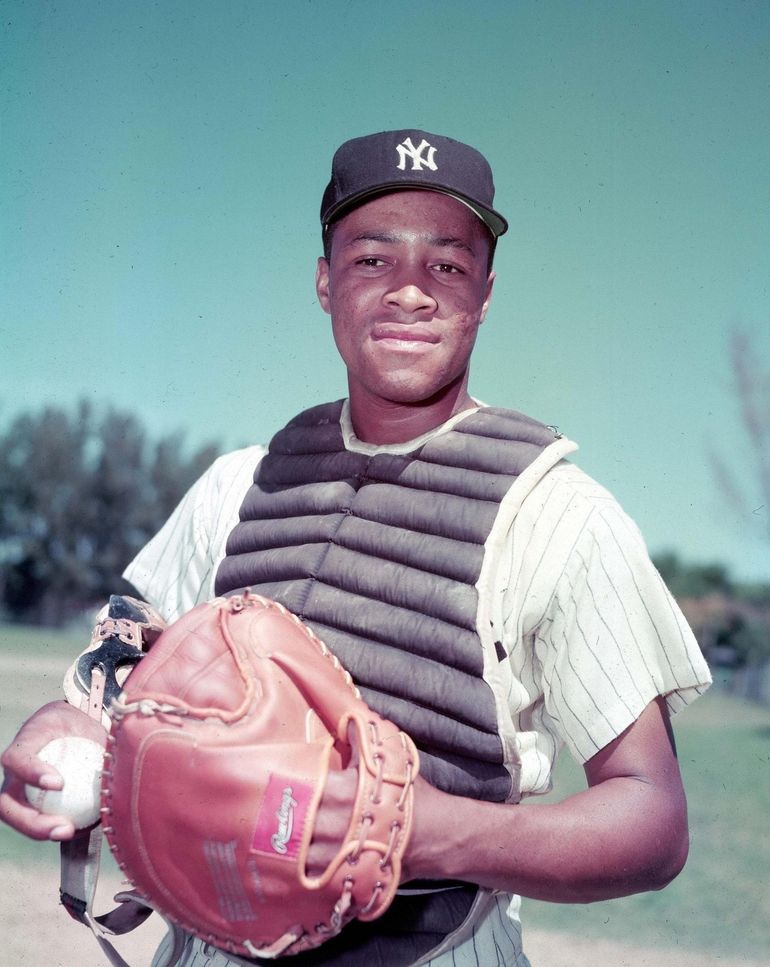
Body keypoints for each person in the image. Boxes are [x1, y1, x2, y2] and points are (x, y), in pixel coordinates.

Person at [1, 129, 712, 967]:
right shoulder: (240, 485)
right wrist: (75, 723)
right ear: (324, 280)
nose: (410, 293)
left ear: (485, 292)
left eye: (446, 265)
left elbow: (652, 821)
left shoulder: (559, 516)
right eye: (373, 259)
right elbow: (122, 658)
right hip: (207, 945)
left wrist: (442, 833)